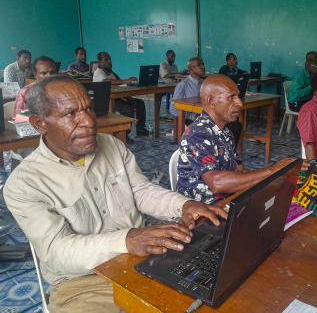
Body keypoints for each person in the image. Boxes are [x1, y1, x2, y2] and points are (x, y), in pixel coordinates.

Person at [3, 76, 227, 312]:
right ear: (40, 124)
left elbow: (140, 191)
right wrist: (127, 240)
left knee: (212, 292)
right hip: (83, 283)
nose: (89, 121)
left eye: (88, 108)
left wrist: (184, 205)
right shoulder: (24, 184)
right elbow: (58, 251)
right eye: (71, 114)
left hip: (142, 261)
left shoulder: (111, 145)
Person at [177, 74, 292, 204]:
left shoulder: (226, 132)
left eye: (238, 96)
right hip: (203, 210)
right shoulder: (197, 134)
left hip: (229, 200)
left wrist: (270, 181)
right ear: (211, 101)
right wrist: (272, 171)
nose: (240, 103)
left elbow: (240, 170)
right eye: (231, 97)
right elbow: (216, 183)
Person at [93, 52, 147, 136]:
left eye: (110, 59)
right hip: (107, 101)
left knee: (139, 103)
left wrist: (129, 83)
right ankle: (124, 135)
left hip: (118, 97)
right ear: (99, 62)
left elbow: (119, 83)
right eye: (106, 59)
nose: (109, 61)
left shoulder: (110, 72)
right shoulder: (98, 72)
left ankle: (140, 129)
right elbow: (107, 81)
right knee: (128, 109)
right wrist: (125, 80)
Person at [170, 57, 205, 123]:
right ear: (190, 69)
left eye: (203, 64)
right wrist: (191, 115)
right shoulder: (183, 85)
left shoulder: (204, 83)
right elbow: (173, 109)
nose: (203, 67)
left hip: (204, 117)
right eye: (199, 65)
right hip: (191, 121)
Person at [160, 50, 178, 114]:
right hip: (165, 85)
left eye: (174, 57)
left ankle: (177, 108)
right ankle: (172, 109)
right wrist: (177, 74)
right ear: (167, 57)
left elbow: (176, 75)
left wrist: (181, 74)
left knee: (180, 88)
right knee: (177, 90)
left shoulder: (174, 66)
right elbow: (166, 75)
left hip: (173, 85)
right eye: (171, 57)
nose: (173, 59)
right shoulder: (163, 65)